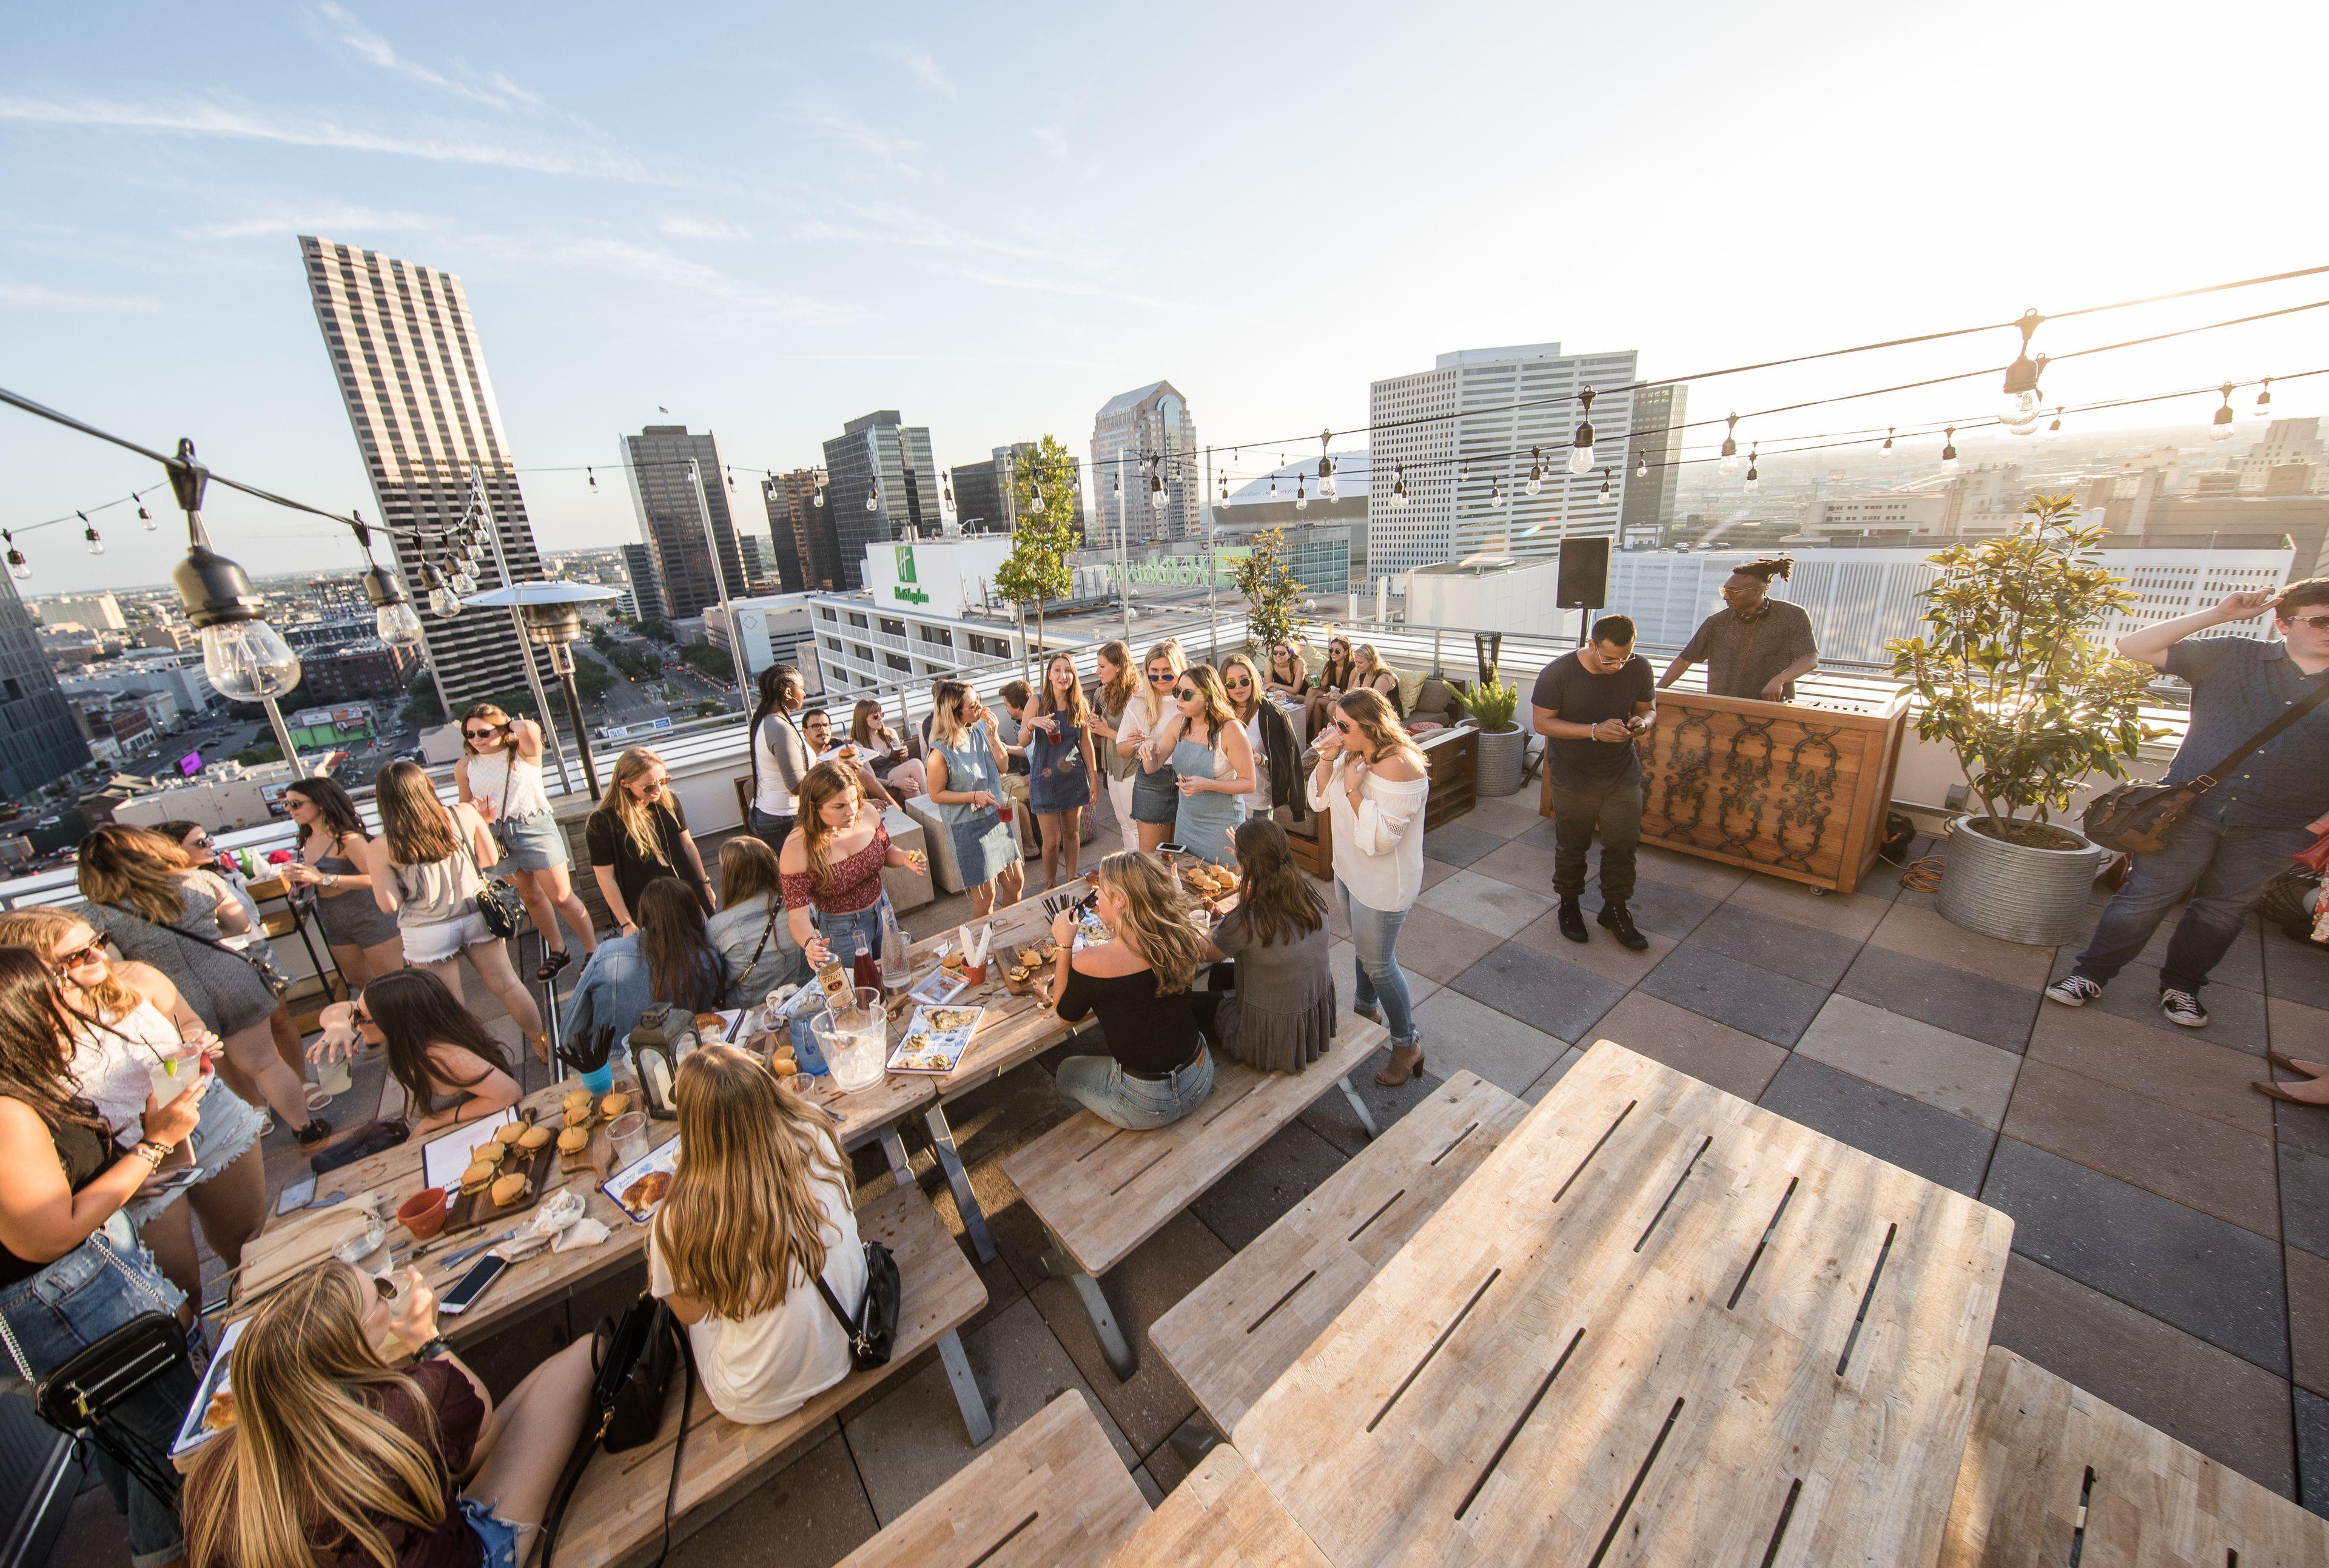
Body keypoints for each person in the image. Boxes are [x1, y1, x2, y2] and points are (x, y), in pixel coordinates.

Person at [0, 946, 209, 1568]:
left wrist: (135, 1158)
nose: (72, 995)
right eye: (55, 988)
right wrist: (153, 1145)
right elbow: (46, 1236)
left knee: (139, 1438)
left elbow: (58, 1191)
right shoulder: (8, 1113)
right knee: (183, 1446)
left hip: (84, 1287)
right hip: (69, 1299)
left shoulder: (23, 1088)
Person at [2047, 579, 2329, 1038]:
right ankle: (2091, 974)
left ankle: (2182, 987)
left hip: (2279, 825)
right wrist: (2220, 614)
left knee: (2223, 910)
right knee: (2145, 897)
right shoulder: (2233, 654)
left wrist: (2319, 825)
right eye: (2322, 620)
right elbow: (2134, 647)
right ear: (2283, 623)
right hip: (2191, 810)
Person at [183, 1259, 597, 1568]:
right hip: (458, 1556)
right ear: (352, 1344)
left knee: (505, 1414)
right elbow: (480, 1416)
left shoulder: (211, 1479)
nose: (387, 1293)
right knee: (584, 1356)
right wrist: (426, 1339)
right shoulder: (412, 1402)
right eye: (380, 1294)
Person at [0, 907, 264, 1307]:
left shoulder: (134, 979)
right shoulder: (30, 1037)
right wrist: (132, 1166)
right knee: (177, 1295)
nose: (97, 955)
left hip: (203, 1115)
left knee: (251, 1250)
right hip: (128, 1159)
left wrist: (195, 1044)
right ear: (33, 973)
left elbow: (188, 1022)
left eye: (98, 942)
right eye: (76, 955)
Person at [648, 1043, 865, 1424]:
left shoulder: (678, 1215)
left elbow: (692, 1313)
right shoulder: (815, 1128)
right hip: (853, 1325)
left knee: (703, 1307)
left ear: (693, 1130)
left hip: (758, 1397)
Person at [79, 823, 329, 1145]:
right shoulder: (197, 880)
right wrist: (207, 938)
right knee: (267, 1063)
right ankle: (306, 1128)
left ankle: (252, 1120)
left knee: (215, 1064)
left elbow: (116, 970)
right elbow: (240, 925)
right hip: (230, 978)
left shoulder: (97, 916)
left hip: (173, 1000)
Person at [366, 762, 548, 1060]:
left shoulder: (382, 846)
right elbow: (489, 860)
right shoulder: (462, 813)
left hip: (427, 931)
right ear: (427, 787)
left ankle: (480, 1061)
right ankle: (541, 1043)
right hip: (477, 914)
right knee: (507, 985)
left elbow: (389, 904)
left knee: (451, 1005)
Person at [1308, 689, 1432, 1087]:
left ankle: (1407, 1044)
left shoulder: (1400, 765)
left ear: (1372, 726)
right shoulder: (1352, 752)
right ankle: (1365, 1012)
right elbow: (1318, 801)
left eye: (1344, 726)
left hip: (1383, 882)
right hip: (1349, 870)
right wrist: (1327, 759)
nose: (1336, 731)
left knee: (1380, 963)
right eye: (1335, 723)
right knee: (1364, 950)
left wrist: (1353, 790)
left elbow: (1381, 840)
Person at [1042, 851, 1217, 1130]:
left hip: (1147, 1102)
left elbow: (1064, 1014)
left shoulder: (1091, 962)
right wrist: (1114, 924)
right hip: (1199, 1075)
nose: (1095, 895)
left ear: (1121, 900)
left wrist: (1064, 944)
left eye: (1102, 889)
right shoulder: (1179, 934)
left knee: (1066, 1072)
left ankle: (1102, 1133)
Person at [154, 820, 312, 1107]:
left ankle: (300, 1083)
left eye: (209, 838)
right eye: (201, 842)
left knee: (280, 1019)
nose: (211, 845)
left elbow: (245, 917)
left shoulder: (216, 873)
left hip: (254, 951)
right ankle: (254, 1103)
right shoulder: (162, 892)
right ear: (171, 850)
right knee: (220, 1042)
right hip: (213, 964)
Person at [1531, 615, 1657, 953]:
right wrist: (1593, 731)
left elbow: (1649, 709)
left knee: (1623, 845)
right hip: (1573, 774)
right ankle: (1569, 905)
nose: (1618, 666)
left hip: (1621, 772)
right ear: (1591, 645)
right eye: (1610, 659)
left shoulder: (1639, 667)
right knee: (1572, 846)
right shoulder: (1558, 673)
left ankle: (1615, 909)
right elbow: (1542, 723)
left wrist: (1643, 723)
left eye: (1625, 658)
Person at [454, 703, 597, 982]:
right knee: (530, 897)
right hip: (495, 835)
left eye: (483, 732)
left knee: (561, 896)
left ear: (501, 727)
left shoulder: (522, 751)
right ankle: (559, 950)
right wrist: (479, 816)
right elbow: (464, 805)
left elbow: (530, 728)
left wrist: (506, 725)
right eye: (469, 735)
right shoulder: (465, 766)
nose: (476, 740)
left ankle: (593, 949)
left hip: (534, 827)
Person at [315, 969, 520, 1139]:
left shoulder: (441, 1056)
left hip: (461, 1140)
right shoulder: (417, 1038)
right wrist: (337, 1027)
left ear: (393, 1023)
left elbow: (509, 1093)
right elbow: (334, 1010)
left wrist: (432, 1122)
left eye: (360, 1017)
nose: (355, 1023)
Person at [1209, 819, 1336, 1073]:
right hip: (1308, 1018)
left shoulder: (1247, 921)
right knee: (1219, 976)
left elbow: (1204, 952)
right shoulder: (1307, 893)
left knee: (1193, 1002)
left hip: (1271, 1039)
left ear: (1247, 864)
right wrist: (1251, 859)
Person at [782, 762, 926, 965]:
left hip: (883, 910)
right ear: (814, 806)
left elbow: (886, 851)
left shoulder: (867, 812)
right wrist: (810, 943)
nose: (851, 811)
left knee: (897, 970)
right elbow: (797, 916)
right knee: (861, 983)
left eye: (854, 800)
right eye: (839, 806)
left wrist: (904, 857)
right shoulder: (796, 849)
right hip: (842, 932)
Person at [278, 776, 408, 990]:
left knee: (392, 982)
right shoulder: (306, 840)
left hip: (368, 915)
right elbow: (316, 879)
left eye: (295, 804)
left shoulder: (347, 839)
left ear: (320, 804)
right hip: (332, 919)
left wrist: (322, 879)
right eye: (286, 804)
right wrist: (301, 888)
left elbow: (377, 879)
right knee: (358, 980)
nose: (289, 810)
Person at [924, 682, 1024, 917]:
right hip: (968, 828)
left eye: (978, 700)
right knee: (986, 896)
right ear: (954, 713)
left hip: (995, 818)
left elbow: (1003, 767)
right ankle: (984, 940)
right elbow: (936, 794)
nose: (980, 706)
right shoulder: (939, 753)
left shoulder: (979, 731)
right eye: (973, 705)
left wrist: (994, 735)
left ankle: (1010, 930)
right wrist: (974, 796)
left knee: (1015, 882)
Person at [1656, 557, 1819, 702]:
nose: (1726, 596)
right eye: (1725, 590)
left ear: (1757, 592)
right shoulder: (1716, 622)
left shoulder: (1792, 615)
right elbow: (1685, 660)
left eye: (1734, 592)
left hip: (1772, 708)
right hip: (1723, 708)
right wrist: (1656, 693)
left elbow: (1810, 657)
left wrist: (1780, 679)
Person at [588, 747, 716, 930]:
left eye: (663, 781)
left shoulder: (669, 802)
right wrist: (627, 923)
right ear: (624, 783)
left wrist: (705, 884)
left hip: (689, 896)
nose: (658, 789)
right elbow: (605, 879)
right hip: (649, 910)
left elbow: (688, 845)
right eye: (649, 786)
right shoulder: (602, 822)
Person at [1152, 662, 1255, 866]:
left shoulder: (1230, 730)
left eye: (1187, 694)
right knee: (1186, 879)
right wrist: (1147, 751)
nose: (1179, 699)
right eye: (1178, 692)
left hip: (1221, 827)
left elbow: (1249, 783)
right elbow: (1153, 766)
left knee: (1222, 881)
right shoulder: (1179, 723)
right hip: (1186, 822)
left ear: (1208, 698)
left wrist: (1208, 785)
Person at [1023, 651, 1100, 893]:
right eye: (1057, 670)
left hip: (1073, 778)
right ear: (1049, 675)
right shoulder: (1037, 702)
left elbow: (1086, 744)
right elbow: (1023, 741)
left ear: (1073, 676)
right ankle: (1050, 884)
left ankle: (1071, 879)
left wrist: (1094, 778)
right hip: (1044, 779)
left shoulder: (1080, 704)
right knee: (1051, 841)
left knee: (1073, 833)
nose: (1063, 676)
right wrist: (1033, 723)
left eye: (1068, 671)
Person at [707, 835, 810, 1005]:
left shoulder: (718, 926)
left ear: (730, 875)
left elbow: (716, 978)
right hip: (803, 999)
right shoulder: (800, 905)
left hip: (749, 1010)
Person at [1222, 651, 1308, 827]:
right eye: (1231, 683)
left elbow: (1288, 762)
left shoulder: (1272, 714)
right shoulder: (1220, 715)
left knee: (1257, 844)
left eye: (1244, 681)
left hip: (1257, 801)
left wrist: (1260, 759)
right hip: (1224, 799)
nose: (1238, 687)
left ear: (1253, 680)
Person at [1121, 640, 1187, 854]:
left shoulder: (1190, 698)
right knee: (1152, 857)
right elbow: (1122, 750)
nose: (1160, 679)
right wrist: (1132, 744)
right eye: (1154, 674)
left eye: (1167, 673)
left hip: (1189, 777)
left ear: (1179, 669)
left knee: (1181, 854)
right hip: (1152, 781)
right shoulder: (1139, 702)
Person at [746, 663, 812, 852]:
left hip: (771, 813)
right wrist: (828, 775)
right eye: (802, 688)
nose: (805, 694)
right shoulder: (780, 728)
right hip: (784, 818)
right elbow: (795, 786)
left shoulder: (768, 721)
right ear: (788, 693)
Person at [1088, 640, 1142, 853]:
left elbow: (1140, 739)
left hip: (1130, 766)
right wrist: (1095, 724)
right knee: (1123, 822)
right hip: (1112, 764)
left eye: (1103, 666)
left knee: (1134, 825)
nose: (1098, 671)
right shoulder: (1105, 692)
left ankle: (1140, 868)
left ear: (1119, 666)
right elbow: (1104, 726)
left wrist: (1106, 731)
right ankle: (1129, 866)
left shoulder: (1135, 697)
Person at [804, 707, 898, 809]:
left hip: (848, 791)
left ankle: (893, 805)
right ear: (805, 732)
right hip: (824, 799)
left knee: (858, 769)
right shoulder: (804, 754)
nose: (823, 730)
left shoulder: (837, 745)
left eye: (826, 725)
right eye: (816, 726)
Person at [849, 699, 926, 798]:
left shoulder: (890, 733)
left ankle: (929, 805)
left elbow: (904, 763)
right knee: (916, 764)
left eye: (881, 714)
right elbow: (872, 780)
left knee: (913, 788)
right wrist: (896, 783)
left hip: (900, 777)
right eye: (875, 716)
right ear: (862, 719)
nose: (880, 718)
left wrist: (904, 757)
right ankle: (930, 798)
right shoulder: (858, 746)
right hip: (884, 784)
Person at [1305, 635, 1357, 739]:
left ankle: (1320, 736)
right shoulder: (1330, 665)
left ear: (1346, 652)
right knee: (1311, 691)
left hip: (1343, 699)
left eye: (1337, 651)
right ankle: (1311, 733)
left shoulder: (1353, 669)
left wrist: (1336, 696)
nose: (1333, 654)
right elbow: (1324, 686)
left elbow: (1349, 695)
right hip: (1331, 695)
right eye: (1331, 650)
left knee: (1318, 702)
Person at [1349, 643, 1405, 719]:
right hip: (1368, 709)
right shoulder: (1363, 672)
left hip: (1387, 714)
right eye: (1356, 662)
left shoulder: (1383, 676)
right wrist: (1341, 698)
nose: (1357, 665)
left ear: (1371, 661)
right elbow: (1352, 693)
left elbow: (1374, 702)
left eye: (1360, 662)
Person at [1264, 641, 1311, 705]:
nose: (1278, 656)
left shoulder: (1299, 663)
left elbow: (1295, 691)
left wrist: (1273, 684)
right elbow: (1268, 687)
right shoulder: (1269, 661)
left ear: (1289, 655)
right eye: (1275, 652)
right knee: (1267, 694)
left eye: (1282, 653)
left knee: (1282, 696)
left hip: (1301, 696)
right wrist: (1278, 690)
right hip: (1281, 694)